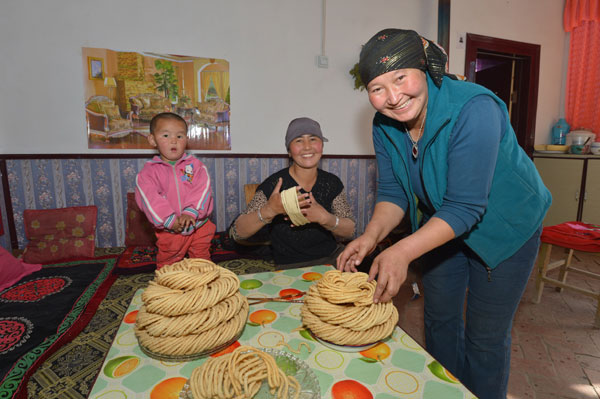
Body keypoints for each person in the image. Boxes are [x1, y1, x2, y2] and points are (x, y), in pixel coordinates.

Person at [337, 29, 551, 399]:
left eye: (400, 77)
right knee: (439, 320)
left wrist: (401, 251)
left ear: (422, 67)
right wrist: (370, 238)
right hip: (441, 225)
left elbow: (467, 206)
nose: (392, 97)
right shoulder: (384, 125)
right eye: (377, 87)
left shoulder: (473, 109)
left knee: (484, 338)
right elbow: (392, 192)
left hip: (505, 229)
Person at [230, 117, 355, 269]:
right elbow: (237, 233)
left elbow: (350, 230)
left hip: (332, 259)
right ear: (289, 151)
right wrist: (270, 210)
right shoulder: (274, 185)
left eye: (313, 139)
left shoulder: (332, 183)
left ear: (322, 146)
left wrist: (325, 218)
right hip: (291, 267)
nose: (307, 147)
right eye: (298, 140)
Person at [135, 112, 215, 269]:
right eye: (166, 135)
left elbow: (202, 189)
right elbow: (150, 199)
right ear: (152, 140)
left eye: (180, 136)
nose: (174, 141)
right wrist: (169, 220)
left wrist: (191, 212)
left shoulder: (194, 166)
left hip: (199, 225)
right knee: (169, 264)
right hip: (170, 231)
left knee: (203, 262)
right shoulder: (148, 173)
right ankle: (169, 289)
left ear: (186, 139)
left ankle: (204, 285)